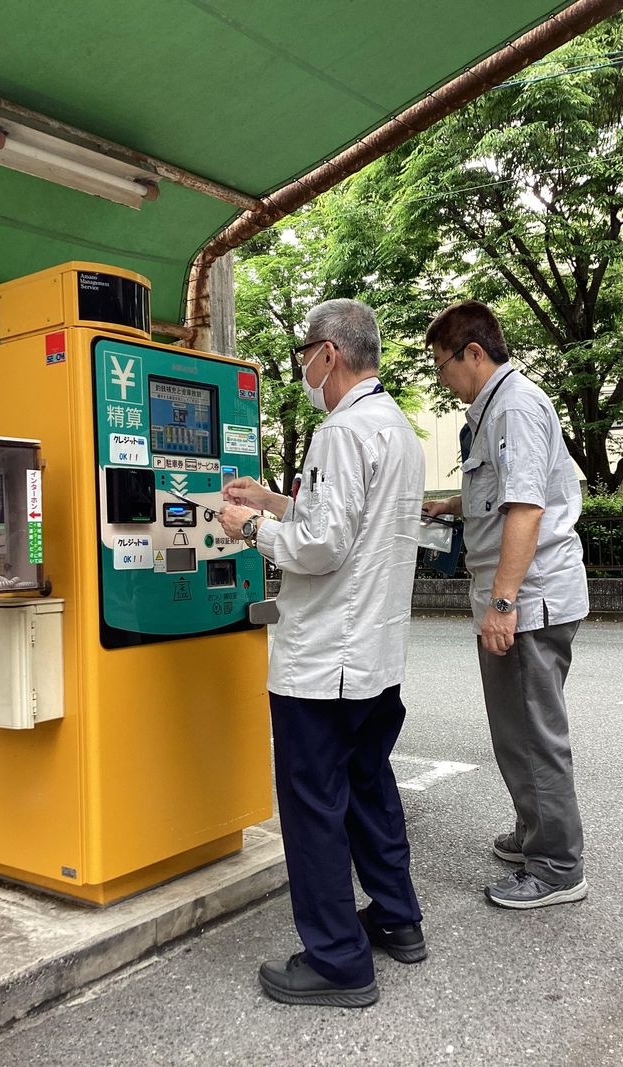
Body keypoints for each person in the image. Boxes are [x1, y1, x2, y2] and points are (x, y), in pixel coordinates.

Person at [218, 299, 426, 1007]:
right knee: (369, 788)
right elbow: (346, 523)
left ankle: (338, 960)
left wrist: (249, 527)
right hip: (375, 658)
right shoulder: (396, 429)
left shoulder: (341, 430)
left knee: (313, 805)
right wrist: (273, 500)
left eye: (305, 352)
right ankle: (397, 919)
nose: (303, 366)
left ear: (329, 354)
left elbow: (320, 545)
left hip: (322, 665)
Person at [423, 300, 589, 910]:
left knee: (532, 733)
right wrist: (453, 506)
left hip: (529, 600)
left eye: (443, 365)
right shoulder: (495, 408)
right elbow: (502, 496)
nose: (442, 378)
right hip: (524, 597)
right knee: (514, 730)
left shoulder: (513, 408)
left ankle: (557, 867)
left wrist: (503, 601)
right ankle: (533, 834)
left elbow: (526, 508)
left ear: (474, 353)